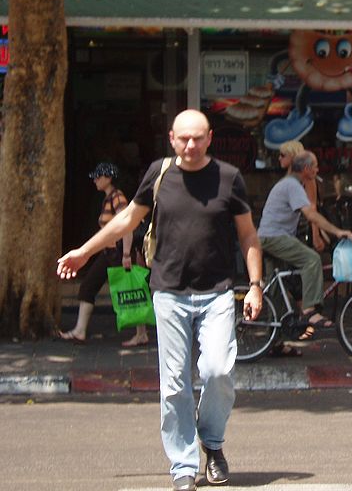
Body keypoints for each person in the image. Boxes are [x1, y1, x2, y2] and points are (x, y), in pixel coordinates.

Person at [57, 109, 263, 491]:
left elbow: (248, 235)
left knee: (218, 372)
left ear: (210, 138)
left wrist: (255, 284)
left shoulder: (229, 178)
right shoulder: (159, 174)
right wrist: (84, 252)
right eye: (183, 138)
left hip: (217, 292)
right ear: (172, 138)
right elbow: (126, 221)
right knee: (174, 384)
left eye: (198, 138)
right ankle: (183, 464)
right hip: (168, 292)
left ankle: (212, 443)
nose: (190, 145)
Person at [258, 150, 352, 341]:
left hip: (268, 237)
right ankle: (309, 309)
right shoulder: (292, 185)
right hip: (274, 237)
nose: (318, 169)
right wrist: (337, 231)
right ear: (306, 169)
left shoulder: (291, 183)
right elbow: (310, 214)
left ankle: (275, 342)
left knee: (277, 290)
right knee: (311, 259)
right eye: (315, 166)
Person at [58, 162, 148, 347]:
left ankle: (141, 333)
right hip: (107, 253)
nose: (95, 181)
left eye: (98, 177)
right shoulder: (107, 199)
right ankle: (80, 330)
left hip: (118, 253)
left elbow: (127, 225)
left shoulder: (118, 197)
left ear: (109, 178)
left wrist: (125, 254)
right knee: (88, 287)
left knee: (130, 291)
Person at [278, 140, 329, 252]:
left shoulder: (306, 178)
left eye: (282, 155)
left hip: (301, 228)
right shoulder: (289, 178)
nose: (279, 158)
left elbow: (312, 205)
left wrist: (315, 235)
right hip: (289, 228)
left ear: (292, 156)